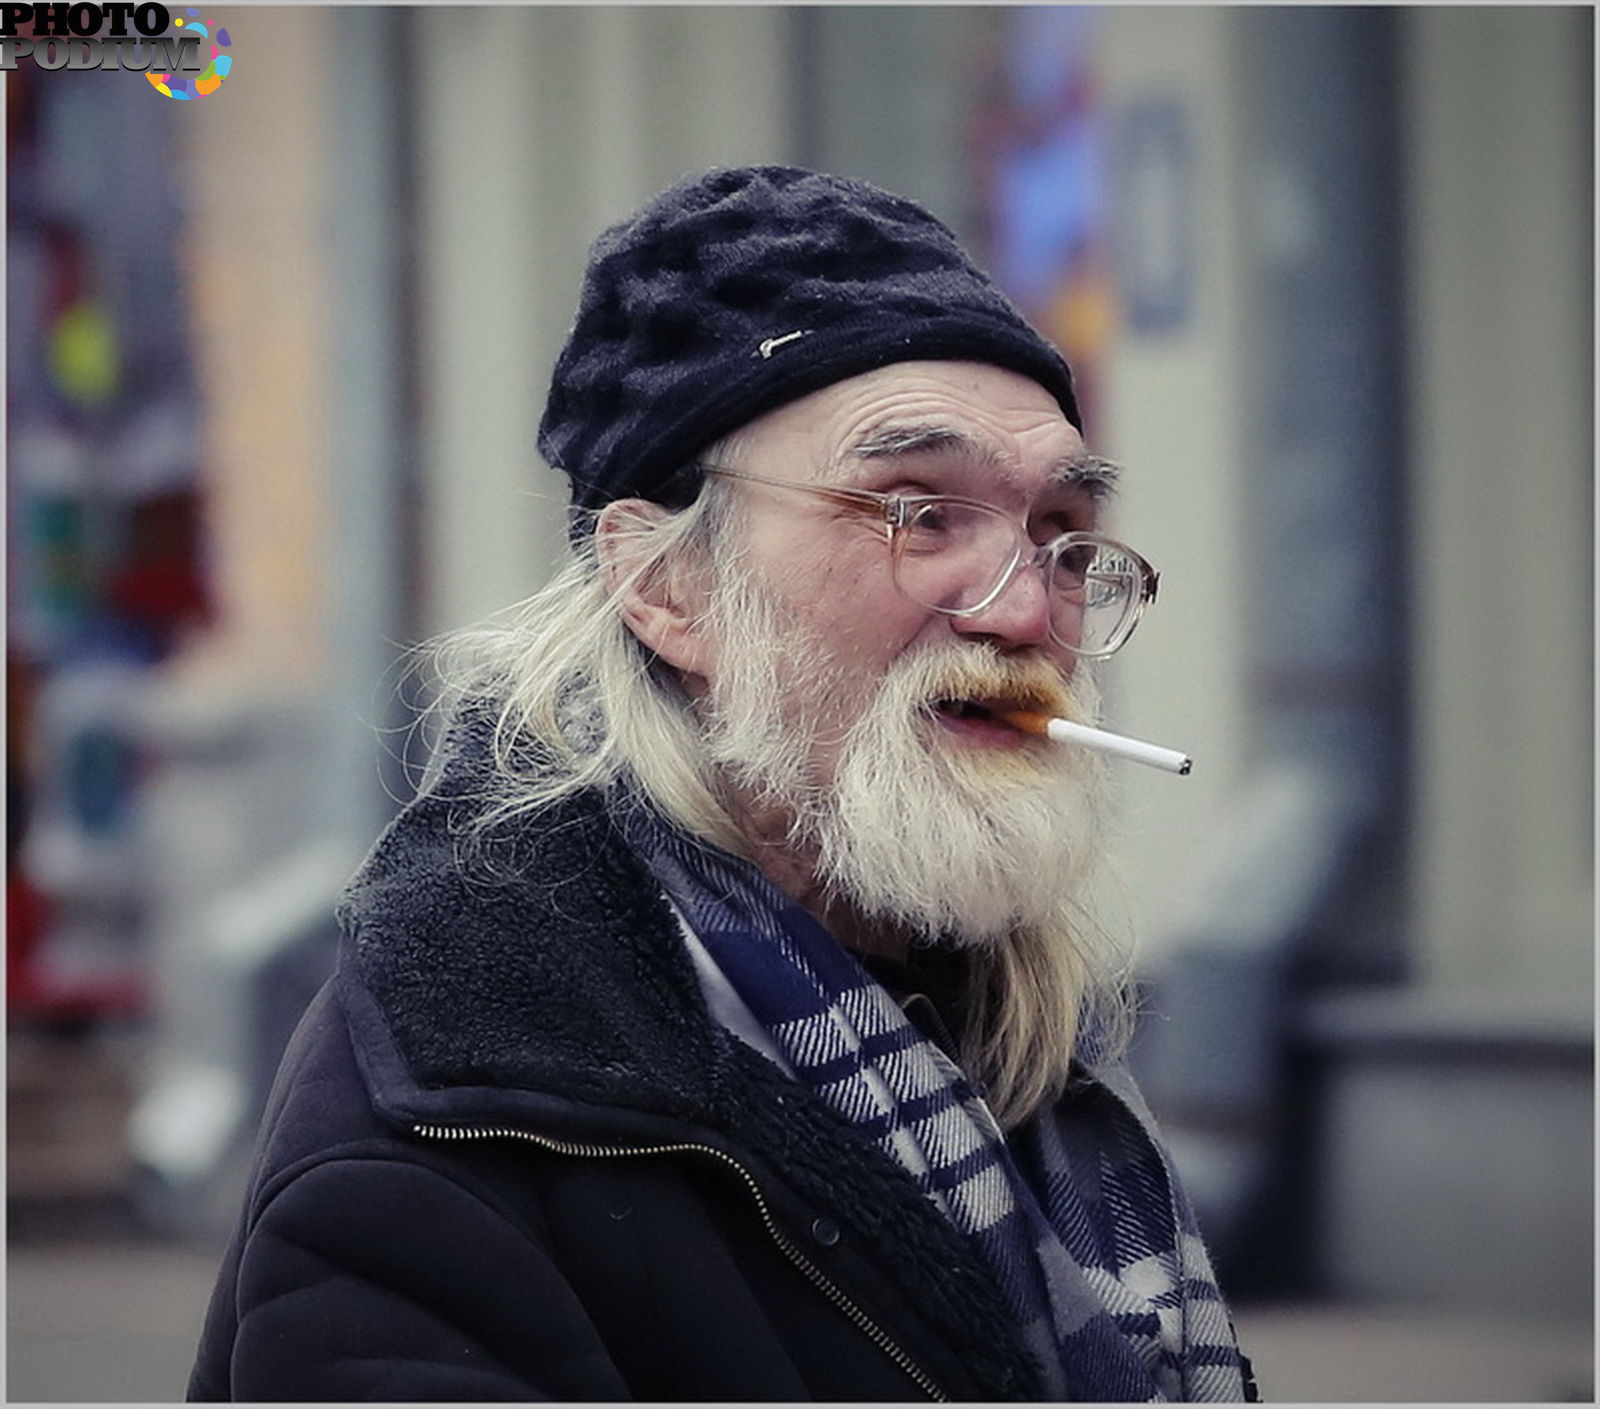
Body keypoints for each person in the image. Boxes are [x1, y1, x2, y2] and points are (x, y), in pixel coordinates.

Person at [188, 165, 1255, 1403]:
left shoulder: (1013, 1043)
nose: (1026, 609)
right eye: (918, 513)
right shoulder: (458, 1130)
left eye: (1061, 527)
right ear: (665, 588)